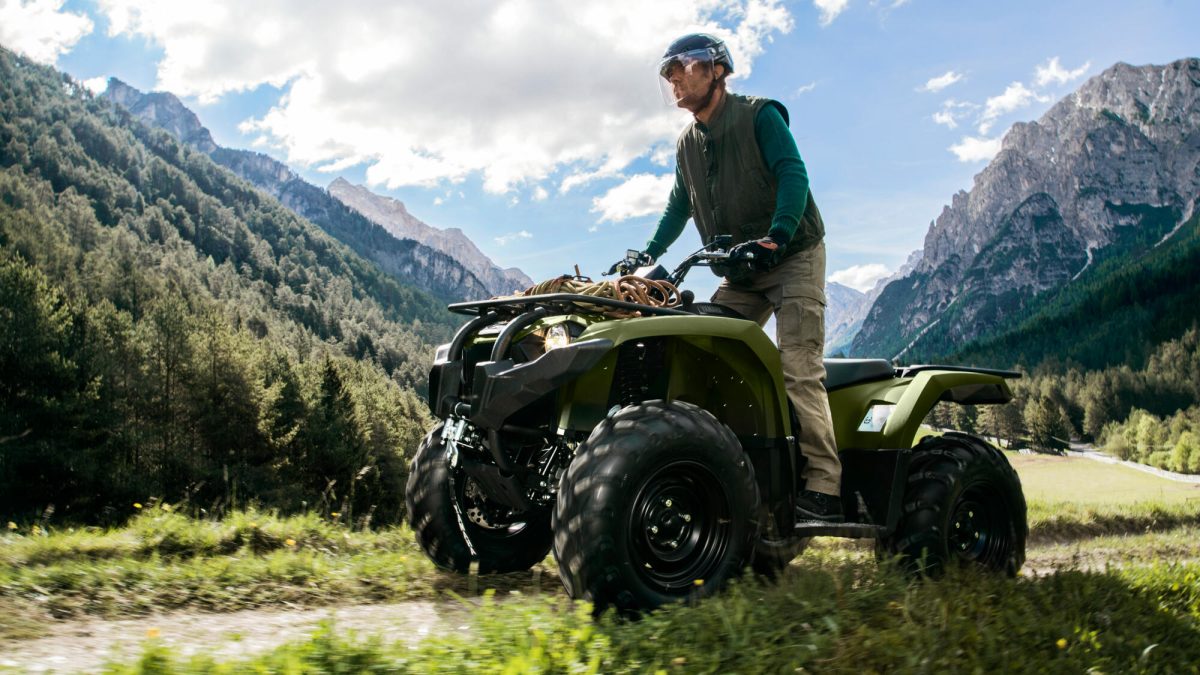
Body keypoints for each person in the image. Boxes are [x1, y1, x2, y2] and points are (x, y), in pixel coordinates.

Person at [628, 32, 843, 522]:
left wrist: (779, 233)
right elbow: (679, 207)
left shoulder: (759, 115)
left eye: (682, 67)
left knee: (798, 368)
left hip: (792, 256)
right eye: (668, 74)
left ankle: (825, 488)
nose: (674, 79)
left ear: (716, 70)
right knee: (707, 356)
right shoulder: (687, 143)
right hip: (740, 271)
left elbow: (794, 175)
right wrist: (647, 253)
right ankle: (735, 472)